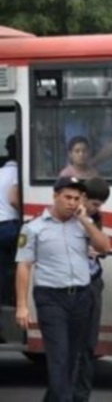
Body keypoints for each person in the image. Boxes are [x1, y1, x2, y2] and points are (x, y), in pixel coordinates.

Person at [15, 176, 110, 402]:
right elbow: (24, 266)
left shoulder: (83, 223)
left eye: (76, 198)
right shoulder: (33, 228)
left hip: (81, 297)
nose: (71, 202)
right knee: (59, 357)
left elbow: (104, 246)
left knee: (73, 358)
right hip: (51, 298)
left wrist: (87, 221)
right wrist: (21, 306)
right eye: (67, 197)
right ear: (55, 196)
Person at [73, 177, 111, 402]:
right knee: (71, 347)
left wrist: (97, 251)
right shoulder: (67, 217)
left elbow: (103, 247)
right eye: (95, 204)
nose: (97, 209)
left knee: (88, 345)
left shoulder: (94, 218)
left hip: (92, 280)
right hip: (72, 284)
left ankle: (82, 396)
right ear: (84, 197)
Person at [0, 134, 19, 341]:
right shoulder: (17, 173)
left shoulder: (1, 171)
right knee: (17, 270)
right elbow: (14, 200)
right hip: (11, 227)